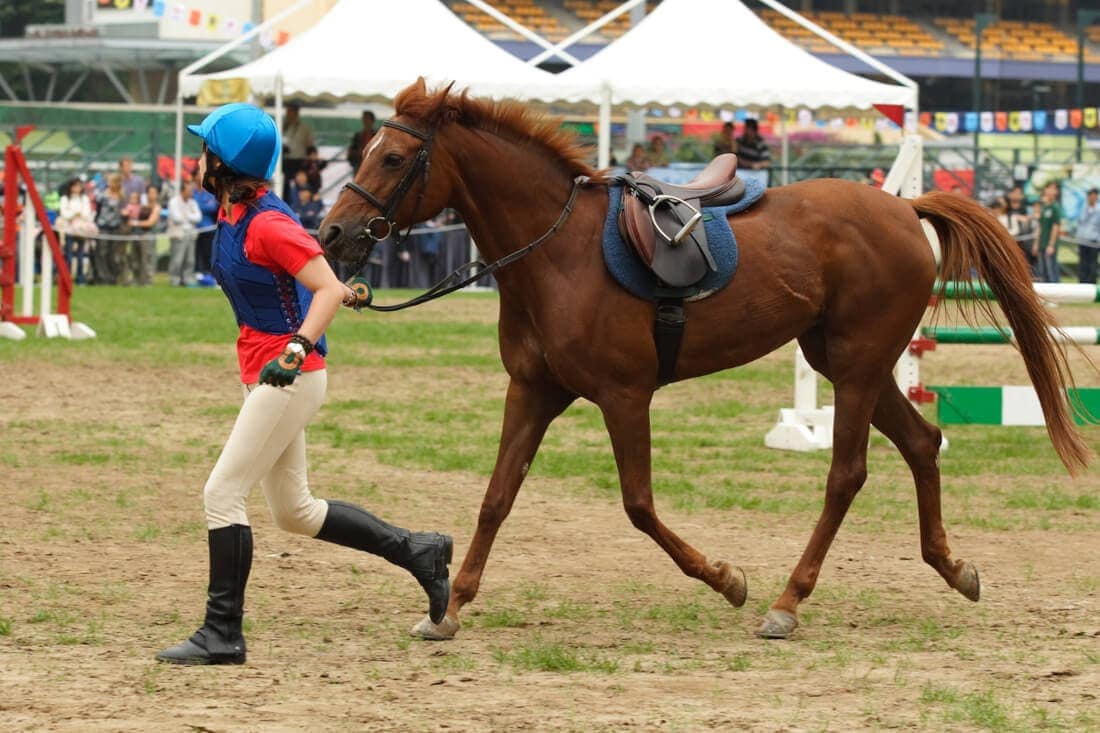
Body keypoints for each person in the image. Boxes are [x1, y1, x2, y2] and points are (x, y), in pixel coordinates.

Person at [156, 102, 451, 666]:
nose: (198, 158)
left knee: (221, 494)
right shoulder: (233, 213)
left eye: (205, 150)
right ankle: (420, 551)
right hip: (265, 372)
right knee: (295, 511)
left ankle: (222, 634)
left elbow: (326, 288)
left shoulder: (267, 222)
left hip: (289, 376)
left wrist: (296, 346)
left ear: (222, 164)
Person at [57, 178, 97, 285]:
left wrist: (76, 214)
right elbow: (64, 214)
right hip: (69, 230)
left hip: (81, 230)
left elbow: (86, 213)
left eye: (79, 186)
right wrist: (75, 214)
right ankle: (66, 278)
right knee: (69, 256)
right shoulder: (65, 199)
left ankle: (80, 279)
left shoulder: (84, 198)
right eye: (75, 186)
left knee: (80, 256)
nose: (77, 188)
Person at [167, 180, 202, 286]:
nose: (191, 192)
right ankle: (175, 279)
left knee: (190, 259)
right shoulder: (173, 202)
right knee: (177, 259)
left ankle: (187, 279)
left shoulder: (193, 202)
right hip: (178, 235)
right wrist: (190, 216)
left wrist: (186, 215)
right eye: (189, 190)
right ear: (182, 191)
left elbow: (198, 218)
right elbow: (176, 218)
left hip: (191, 234)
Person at [93, 173, 125, 285]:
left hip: (115, 227)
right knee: (102, 252)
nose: (108, 184)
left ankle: (113, 277)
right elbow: (97, 204)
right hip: (103, 226)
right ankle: (102, 276)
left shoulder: (121, 196)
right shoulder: (102, 195)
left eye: (111, 181)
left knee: (113, 253)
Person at [130, 184, 163, 286]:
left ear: (157, 194)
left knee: (147, 258)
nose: (151, 195)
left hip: (148, 235)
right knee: (135, 258)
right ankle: (136, 279)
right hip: (136, 235)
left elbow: (150, 222)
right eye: (149, 192)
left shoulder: (157, 207)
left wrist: (136, 223)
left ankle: (148, 281)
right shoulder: (142, 205)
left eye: (153, 192)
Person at [281, 102, 314, 193]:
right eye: (287, 112)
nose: (288, 115)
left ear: (296, 113)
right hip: (285, 160)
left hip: (299, 161)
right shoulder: (283, 126)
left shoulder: (304, 128)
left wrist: (310, 158)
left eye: (290, 112)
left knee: (298, 186)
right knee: (285, 185)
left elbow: (310, 145)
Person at [1034, 180, 1063, 283]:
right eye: (1049, 188)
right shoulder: (1044, 207)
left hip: (1049, 245)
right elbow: (1040, 226)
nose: (1051, 191)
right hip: (1042, 243)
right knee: (1042, 271)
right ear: (1045, 190)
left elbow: (1056, 226)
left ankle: (1057, 295)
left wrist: (1051, 245)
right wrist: (1036, 243)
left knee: (1051, 271)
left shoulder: (1055, 207)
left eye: (1054, 188)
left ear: (1056, 192)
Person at [193, 182, 219, 276]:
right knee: (195, 254)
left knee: (208, 252)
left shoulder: (210, 193)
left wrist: (198, 206)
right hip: (194, 230)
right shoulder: (193, 192)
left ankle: (208, 273)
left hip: (208, 228)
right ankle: (197, 273)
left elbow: (212, 207)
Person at [1076, 188, 1100, 284]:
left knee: (1092, 262)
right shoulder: (1083, 208)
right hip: (1083, 240)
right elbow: (1079, 223)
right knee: (1083, 262)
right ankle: (1082, 282)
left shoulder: (1098, 210)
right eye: (1090, 195)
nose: (1092, 197)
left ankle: (1091, 282)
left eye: (1094, 195)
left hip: (1093, 240)